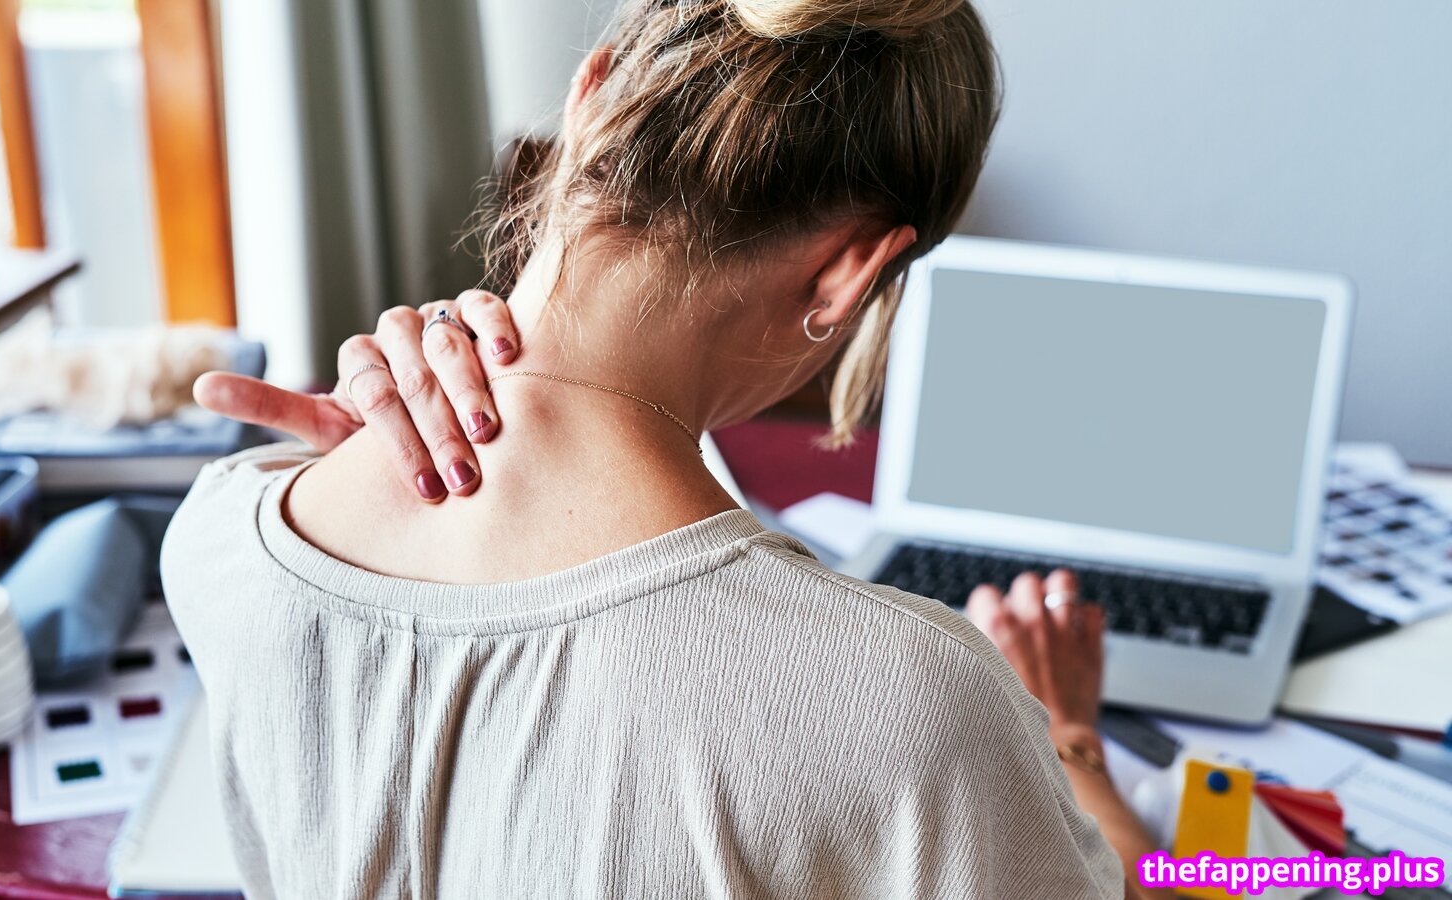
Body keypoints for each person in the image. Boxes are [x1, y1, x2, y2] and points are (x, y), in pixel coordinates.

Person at [164, 0, 1171, 896]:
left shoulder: (221, 536)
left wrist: (340, 467)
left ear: (586, 98)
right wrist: (1066, 742)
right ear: (851, 274)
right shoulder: (920, 705)